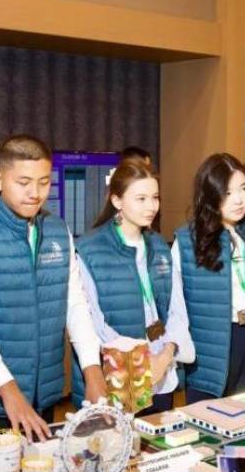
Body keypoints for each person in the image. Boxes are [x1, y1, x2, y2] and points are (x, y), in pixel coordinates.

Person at [0, 134, 105, 454]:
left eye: (44, 182)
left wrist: (93, 370)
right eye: (23, 182)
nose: (35, 193)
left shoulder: (57, 230)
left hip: (43, 393)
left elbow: (75, 304)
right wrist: (9, 391)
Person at [72, 157, 194, 413]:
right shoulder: (90, 249)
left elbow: (177, 311)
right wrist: (139, 361)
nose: (151, 206)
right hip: (119, 372)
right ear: (117, 201)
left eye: (155, 198)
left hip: (161, 368)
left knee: (159, 434)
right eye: (141, 199)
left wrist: (165, 356)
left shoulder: (159, 245)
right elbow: (93, 322)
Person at [174, 153, 245, 403]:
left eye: (243, 188)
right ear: (210, 195)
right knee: (210, 417)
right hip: (213, 343)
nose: (238, 199)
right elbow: (176, 306)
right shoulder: (187, 240)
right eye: (227, 193)